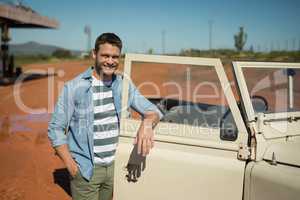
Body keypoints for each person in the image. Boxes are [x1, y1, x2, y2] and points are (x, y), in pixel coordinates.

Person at [48, 33, 162, 200]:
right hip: (87, 170)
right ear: (94, 54)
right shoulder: (74, 87)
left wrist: (147, 122)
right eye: (105, 55)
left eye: (115, 56)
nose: (110, 61)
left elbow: (153, 110)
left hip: (115, 167)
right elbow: (56, 128)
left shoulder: (123, 85)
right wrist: (71, 166)